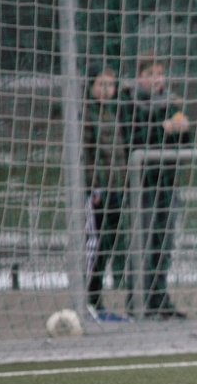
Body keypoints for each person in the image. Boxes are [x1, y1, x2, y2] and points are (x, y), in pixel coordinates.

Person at [120, 49, 191, 319]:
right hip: (141, 184)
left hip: (167, 182)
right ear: (139, 77)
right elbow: (132, 139)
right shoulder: (128, 102)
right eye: (151, 74)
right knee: (143, 242)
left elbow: (183, 146)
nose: (157, 78)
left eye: (160, 73)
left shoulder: (171, 104)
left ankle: (160, 298)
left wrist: (183, 130)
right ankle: (137, 300)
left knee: (165, 242)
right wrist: (162, 128)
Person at [82, 64, 132, 323]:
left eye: (110, 85)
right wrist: (93, 187)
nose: (106, 89)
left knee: (107, 246)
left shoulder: (113, 112)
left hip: (115, 190)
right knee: (94, 245)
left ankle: (96, 302)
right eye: (101, 84)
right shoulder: (85, 114)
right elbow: (85, 155)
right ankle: (86, 302)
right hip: (97, 192)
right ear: (91, 86)